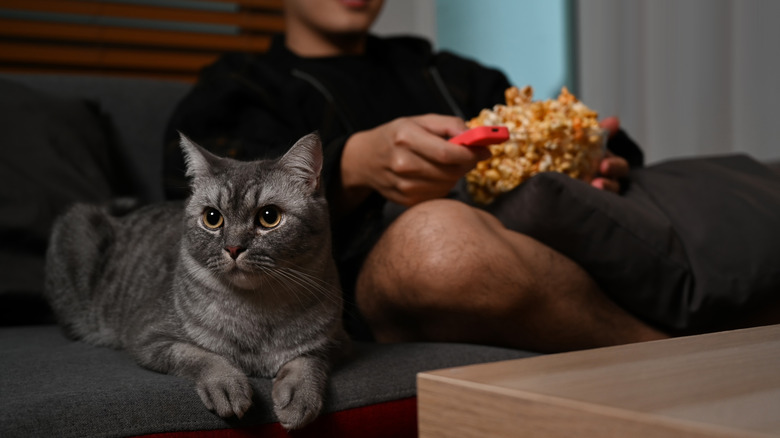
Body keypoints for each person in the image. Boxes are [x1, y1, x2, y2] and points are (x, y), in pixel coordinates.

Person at [164, 0, 668, 352]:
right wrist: (352, 165)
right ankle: (659, 352)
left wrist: (598, 158)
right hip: (353, 279)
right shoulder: (238, 88)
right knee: (436, 243)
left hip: (520, 237)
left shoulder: (442, 71)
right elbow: (196, 208)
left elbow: (549, 128)